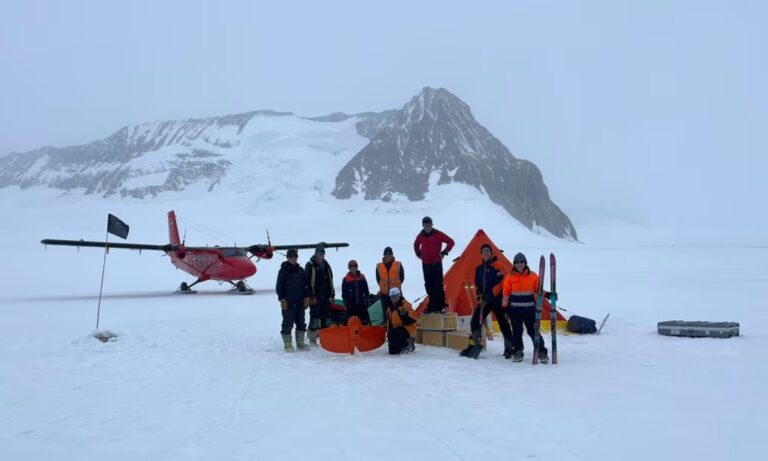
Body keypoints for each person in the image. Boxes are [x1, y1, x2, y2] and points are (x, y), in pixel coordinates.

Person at [460, 244, 515, 359]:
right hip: (485, 301)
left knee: (503, 323)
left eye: (488, 251)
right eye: (483, 251)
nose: (485, 253)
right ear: (481, 254)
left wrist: (491, 294)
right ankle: (475, 344)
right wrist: (479, 293)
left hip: (497, 300)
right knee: (475, 321)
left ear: (491, 253)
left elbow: (501, 283)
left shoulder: (498, 266)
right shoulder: (479, 268)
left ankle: (509, 347)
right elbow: (477, 283)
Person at [501, 252, 549, 363]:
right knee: (517, 332)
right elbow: (506, 294)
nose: (520, 265)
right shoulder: (509, 277)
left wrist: (547, 294)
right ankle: (518, 351)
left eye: (522, 262)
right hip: (514, 310)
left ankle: (541, 351)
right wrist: (504, 308)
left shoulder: (533, 276)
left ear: (525, 263)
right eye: (517, 263)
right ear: (514, 264)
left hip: (529, 310)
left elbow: (539, 289)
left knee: (534, 331)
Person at [413, 216, 454, 313]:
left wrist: (443, 252)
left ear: (432, 225)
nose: (427, 227)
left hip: (436, 264)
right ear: (423, 226)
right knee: (429, 286)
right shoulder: (421, 235)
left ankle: (441, 306)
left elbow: (451, 242)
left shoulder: (438, 234)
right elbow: (415, 245)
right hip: (426, 265)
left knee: (438, 286)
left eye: (429, 225)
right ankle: (432, 306)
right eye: (425, 225)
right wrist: (419, 254)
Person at [275, 248, 311, 352]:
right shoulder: (283, 271)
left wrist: (306, 298)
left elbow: (306, 285)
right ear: (287, 257)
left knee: (301, 322)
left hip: (300, 301)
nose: (293, 258)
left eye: (295, 256)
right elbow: (279, 287)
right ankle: (288, 344)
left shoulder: (301, 271)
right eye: (290, 256)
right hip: (288, 302)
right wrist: (282, 300)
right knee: (288, 323)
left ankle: (300, 343)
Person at [305, 246, 335, 346]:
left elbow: (330, 280)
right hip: (315, 297)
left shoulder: (326, 265)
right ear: (315, 254)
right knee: (314, 318)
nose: (321, 256)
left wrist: (332, 294)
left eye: (322, 254)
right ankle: (312, 339)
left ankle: (325, 338)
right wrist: (311, 296)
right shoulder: (310, 265)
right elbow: (307, 283)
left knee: (326, 319)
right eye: (319, 254)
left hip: (326, 297)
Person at [385, 287, 418, 355]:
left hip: (407, 329)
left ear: (399, 296)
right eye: (392, 296)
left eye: (395, 296)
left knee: (396, 333)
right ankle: (400, 344)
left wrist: (405, 315)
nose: (393, 298)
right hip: (395, 330)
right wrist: (389, 333)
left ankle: (409, 343)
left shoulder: (405, 305)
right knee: (392, 351)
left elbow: (414, 318)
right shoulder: (389, 309)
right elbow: (389, 322)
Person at [375, 246, 404, 319]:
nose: (388, 256)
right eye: (386, 254)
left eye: (389, 254)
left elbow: (402, 278)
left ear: (392, 255)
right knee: (386, 315)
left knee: (398, 314)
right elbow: (378, 279)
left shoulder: (398, 264)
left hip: (396, 295)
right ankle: (387, 329)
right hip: (384, 295)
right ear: (383, 255)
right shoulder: (379, 266)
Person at [341, 259, 371, 324]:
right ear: (349, 268)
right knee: (351, 323)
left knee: (364, 322)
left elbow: (366, 289)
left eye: (354, 266)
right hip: (351, 306)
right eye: (351, 266)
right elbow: (344, 292)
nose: (353, 268)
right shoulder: (346, 279)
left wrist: (367, 298)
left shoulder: (362, 277)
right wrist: (346, 302)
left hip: (362, 305)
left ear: (357, 267)